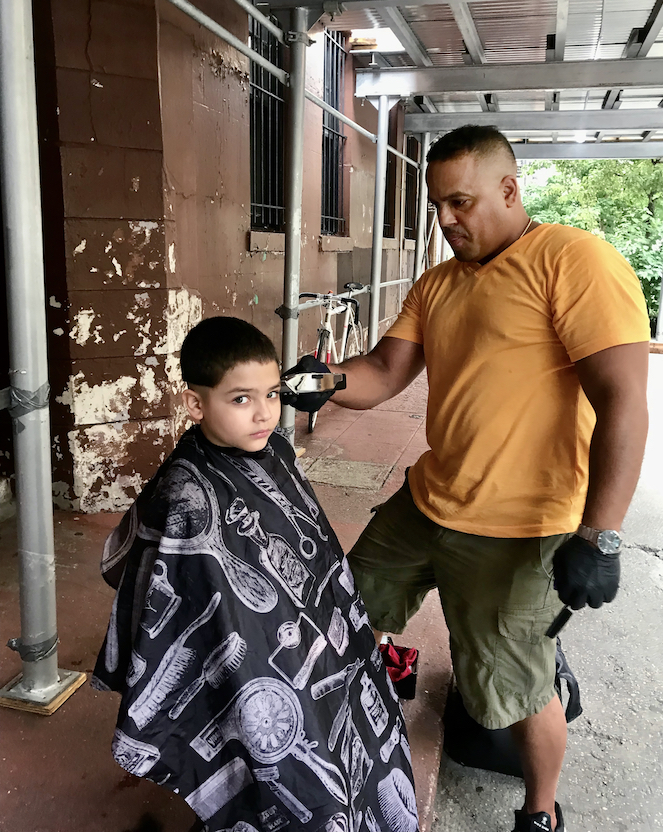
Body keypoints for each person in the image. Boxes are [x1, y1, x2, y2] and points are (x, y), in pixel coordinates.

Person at [284, 125, 650, 832]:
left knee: (513, 688)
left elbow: (623, 402)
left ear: (509, 189)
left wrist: (601, 534)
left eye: (460, 202)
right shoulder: (439, 283)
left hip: (523, 526)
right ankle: (379, 683)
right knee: (348, 601)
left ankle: (539, 813)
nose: (446, 220)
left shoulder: (572, 261)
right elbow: (384, 373)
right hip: (429, 501)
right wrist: (325, 380)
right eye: (437, 206)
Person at [91, 316, 418, 832]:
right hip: (239, 648)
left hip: (304, 634)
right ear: (196, 404)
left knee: (361, 732)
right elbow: (163, 584)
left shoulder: (276, 452)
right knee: (300, 783)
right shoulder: (185, 491)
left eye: (272, 393)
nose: (264, 413)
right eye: (241, 399)